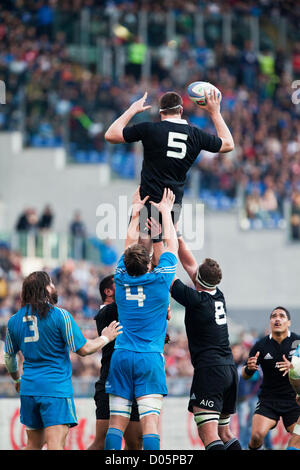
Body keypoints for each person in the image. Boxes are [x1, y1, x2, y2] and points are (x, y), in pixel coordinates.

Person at [4, 271, 121, 450]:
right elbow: (83, 349)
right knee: (55, 444)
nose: (54, 287)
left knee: (33, 445)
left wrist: (16, 379)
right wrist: (106, 337)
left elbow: (9, 357)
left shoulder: (13, 321)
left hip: (29, 389)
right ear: (44, 289)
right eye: (51, 284)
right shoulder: (59, 316)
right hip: (55, 389)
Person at [104, 89, 234, 243]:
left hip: (148, 200)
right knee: (164, 252)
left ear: (160, 112)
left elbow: (110, 135)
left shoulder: (149, 129)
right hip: (173, 204)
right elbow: (228, 144)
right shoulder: (196, 135)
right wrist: (215, 112)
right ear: (180, 110)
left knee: (139, 256)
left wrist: (132, 110)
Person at [104, 187, 178, 451]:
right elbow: (172, 245)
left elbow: (128, 246)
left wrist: (135, 213)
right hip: (149, 357)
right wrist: (166, 214)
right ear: (149, 263)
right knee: (150, 425)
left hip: (122, 356)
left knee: (116, 424)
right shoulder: (160, 280)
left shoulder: (120, 280)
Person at [170, 235, 241, 451]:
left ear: (198, 280)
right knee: (225, 432)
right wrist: (178, 237)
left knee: (208, 434)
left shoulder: (196, 300)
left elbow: (166, 275)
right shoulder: (217, 295)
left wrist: (163, 240)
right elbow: (191, 265)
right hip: (229, 370)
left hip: (210, 371)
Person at [87, 274, 142, 450]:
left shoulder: (120, 311)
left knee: (135, 442)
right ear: (108, 291)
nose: (126, 288)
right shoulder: (107, 312)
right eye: (120, 285)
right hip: (110, 381)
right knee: (102, 442)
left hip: (131, 380)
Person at [241, 307, 300, 450]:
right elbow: (245, 375)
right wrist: (249, 368)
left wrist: (295, 368)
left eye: (281, 316)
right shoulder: (260, 345)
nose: (277, 319)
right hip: (268, 400)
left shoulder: (297, 342)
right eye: (274, 316)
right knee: (256, 437)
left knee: (298, 438)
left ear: (289, 322)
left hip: (294, 401)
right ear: (270, 322)